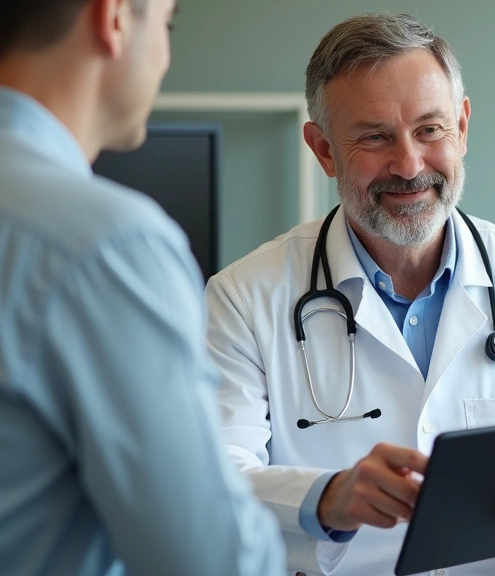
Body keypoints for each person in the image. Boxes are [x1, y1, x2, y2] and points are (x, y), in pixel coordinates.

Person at [205, 12, 495, 576]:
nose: (409, 164)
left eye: (430, 129)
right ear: (323, 149)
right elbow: (209, 480)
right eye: (374, 137)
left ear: (462, 128)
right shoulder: (244, 298)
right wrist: (326, 498)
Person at [0, 1, 285, 575]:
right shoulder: (109, 246)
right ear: (112, 19)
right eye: (166, 23)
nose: (164, 57)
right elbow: (211, 560)